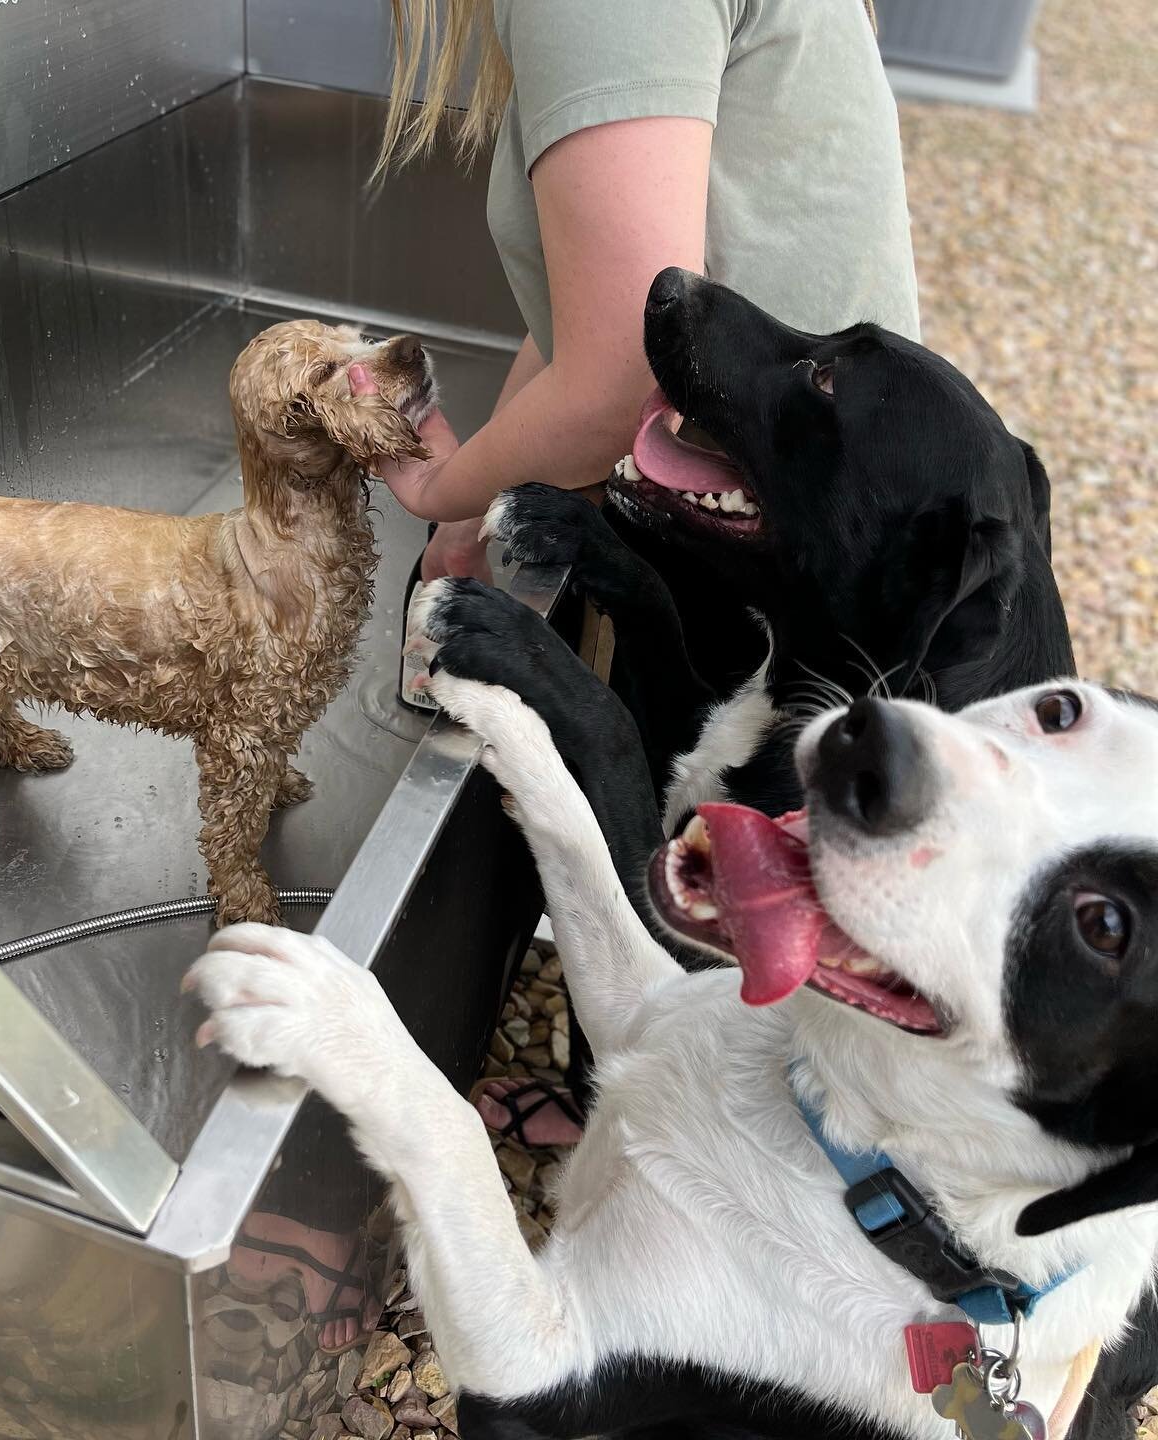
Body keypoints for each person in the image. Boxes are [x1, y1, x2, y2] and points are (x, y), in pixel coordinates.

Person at [240, 0, 924, 1351]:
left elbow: (620, 368)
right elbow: (605, 300)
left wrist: (446, 474)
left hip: (788, 551)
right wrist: (481, 489)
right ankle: (642, 1119)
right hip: (800, 498)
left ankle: (684, 1308)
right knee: (741, 916)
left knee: (754, 923)